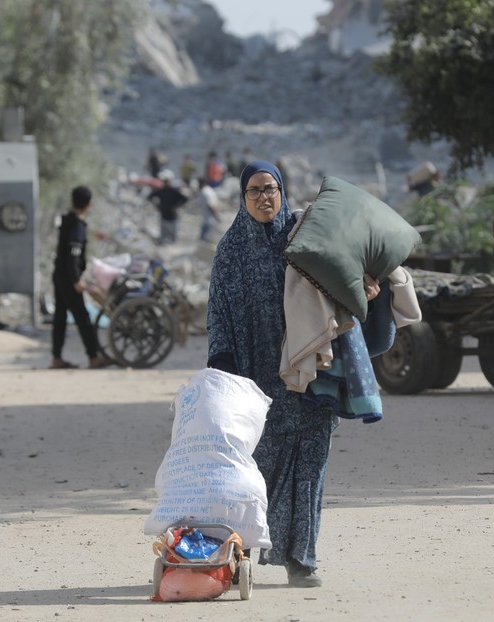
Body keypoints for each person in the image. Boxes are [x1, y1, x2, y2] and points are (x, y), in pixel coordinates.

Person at [205, 160, 379, 588]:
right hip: (256, 378)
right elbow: (218, 313)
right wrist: (222, 361)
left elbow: (342, 274)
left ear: (282, 191)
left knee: (311, 466)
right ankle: (239, 553)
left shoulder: (303, 237)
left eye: (271, 188)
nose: (264, 197)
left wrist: (366, 285)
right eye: (254, 191)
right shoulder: (230, 251)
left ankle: (302, 560)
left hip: (313, 373)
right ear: (242, 199)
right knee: (257, 469)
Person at [51, 186, 112, 370]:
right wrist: (77, 279)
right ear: (89, 204)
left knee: (60, 317)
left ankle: (56, 358)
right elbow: (74, 255)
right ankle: (93, 357)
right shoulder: (77, 225)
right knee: (83, 318)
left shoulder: (68, 221)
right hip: (69, 279)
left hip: (59, 275)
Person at [148, 174, 188, 245]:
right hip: (164, 216)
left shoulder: (174, 191)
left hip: (172, 216)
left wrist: (176, 206)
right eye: (165, 181)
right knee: (163, 237)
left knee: (172, 237)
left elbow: (185, 199)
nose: (166, 182)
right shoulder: (161, 191)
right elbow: (150, 197)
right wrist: (157, 206)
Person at [196, 177, 222, 243]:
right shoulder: (209, 190)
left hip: (208, 221)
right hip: (208, 220)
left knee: (203, 242)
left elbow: (211, 205)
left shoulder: (205, 192)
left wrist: (217, 217)